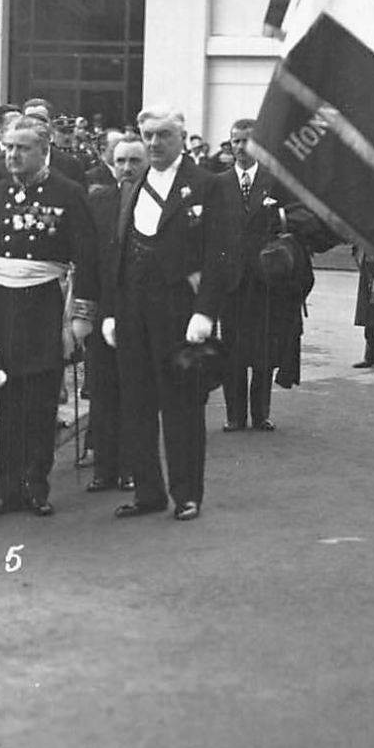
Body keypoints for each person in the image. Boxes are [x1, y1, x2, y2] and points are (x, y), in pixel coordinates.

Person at [102, 106, 239, 522]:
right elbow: (118, 254)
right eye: (149, 136)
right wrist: (111, 311)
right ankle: (148, 492)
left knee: (181, 405)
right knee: (136, 404)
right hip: (132, 310)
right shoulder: (134, 185)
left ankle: (187, 494)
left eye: (163, 135)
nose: (155, 143)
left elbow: (223, 254)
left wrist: (206, 311)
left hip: (178, 310)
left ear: (181, 137)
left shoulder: (207, 185)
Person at [0, 121, 99, 517]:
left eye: (22, 148)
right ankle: (6, 491)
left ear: (43, 150)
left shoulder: (68, 194)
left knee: (39, 402)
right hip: (1, 304)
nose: (13, 155)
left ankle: (36, 486)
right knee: (5, 398)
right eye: (8, 148)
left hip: (44, 305)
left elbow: (88, 260)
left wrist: (80, 319)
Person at [219, 119, 309, 432]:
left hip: (264, 283)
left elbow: (300, 216)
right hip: (231, 283)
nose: (240, 147)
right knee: (232, 351)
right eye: (235, 141)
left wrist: (281, 218)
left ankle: (260, 414)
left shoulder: (275, 183)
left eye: (246, 141)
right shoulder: (218, 184)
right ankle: (234, 416)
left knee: (262, 349)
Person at [83, 135, 147, 492]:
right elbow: (88, 258)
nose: (126, 169)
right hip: (104, 308)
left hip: (140, 310)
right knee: (103, 390)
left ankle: (130, 467)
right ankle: (103, 468)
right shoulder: (99, 201)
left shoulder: (156, 203)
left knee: (135, 391)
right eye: (120, 161)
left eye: (134, 161)